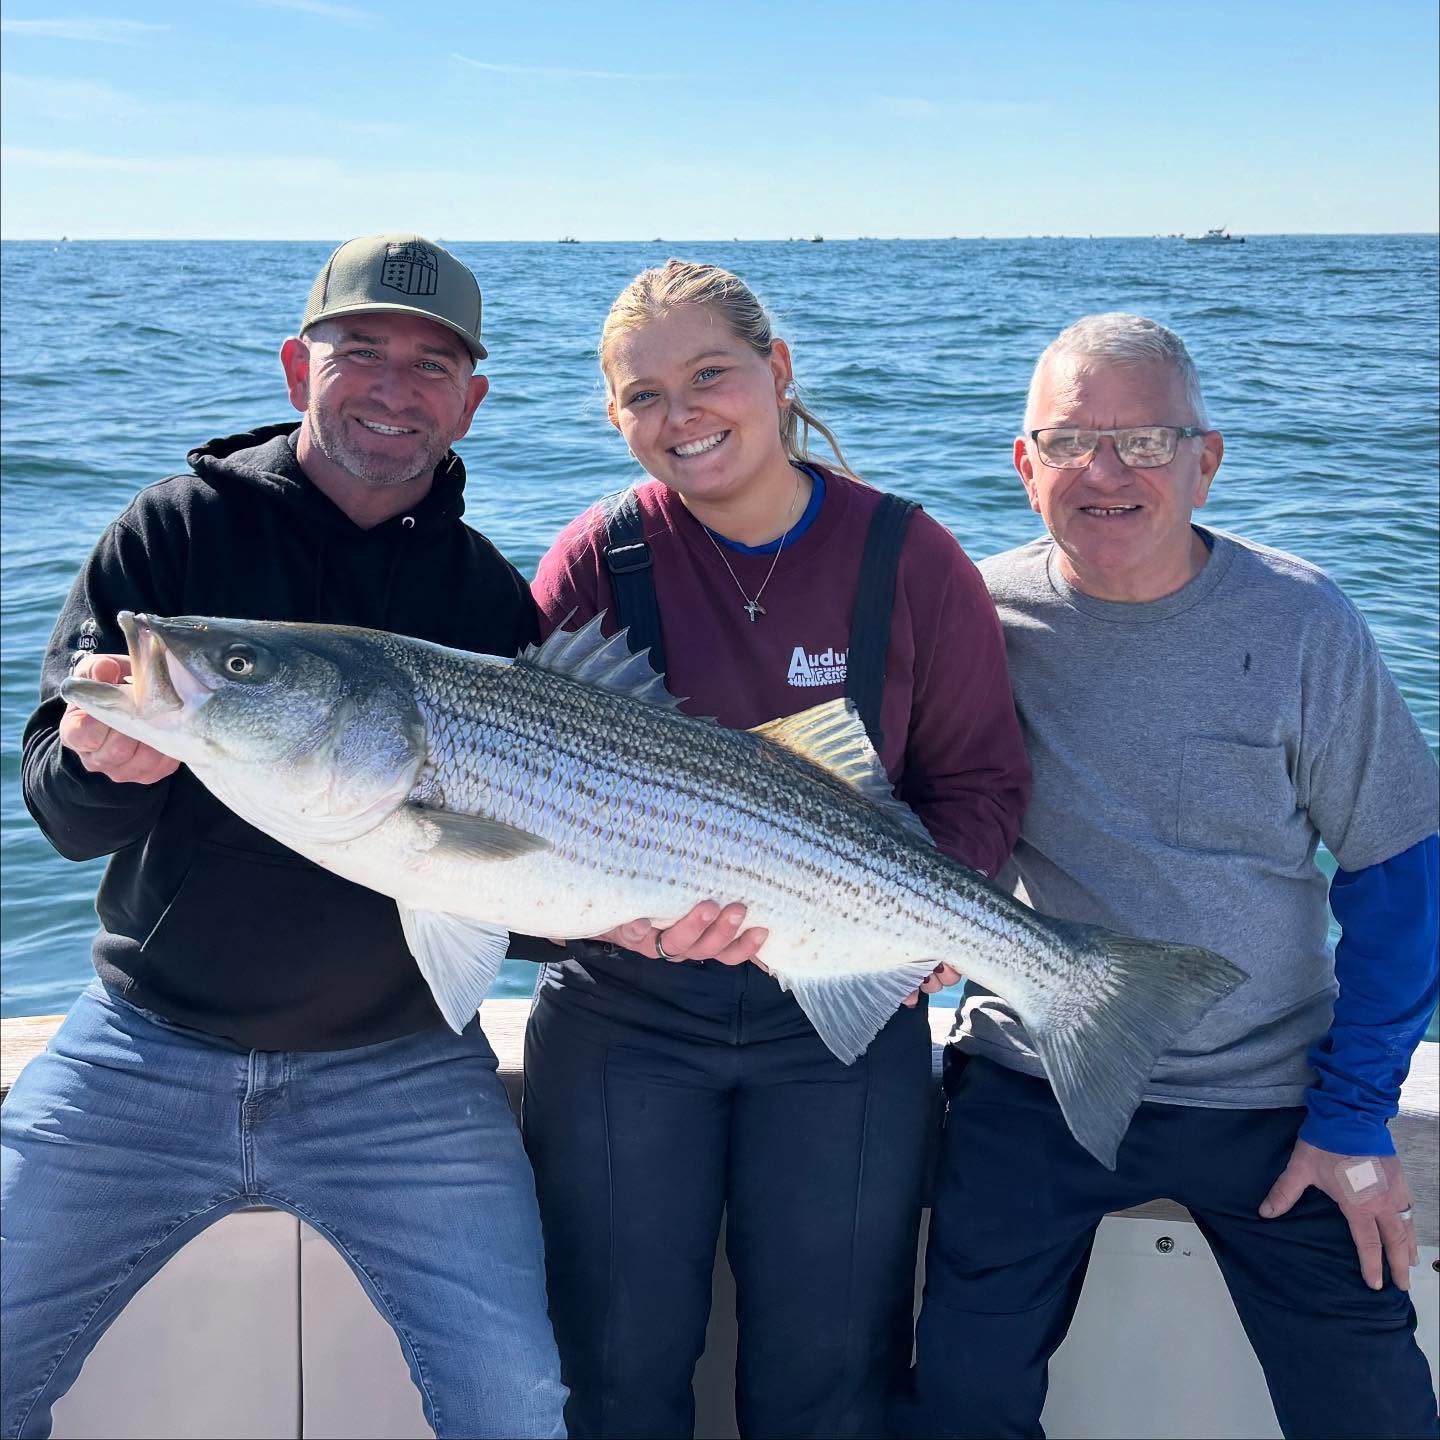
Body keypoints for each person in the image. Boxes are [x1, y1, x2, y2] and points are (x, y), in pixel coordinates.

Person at [2, 234, 568, 1440]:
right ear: (295, 369)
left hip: (404, 1070)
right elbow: (56, 806)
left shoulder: (485, 599)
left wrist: (649, 926)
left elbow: (515, 886)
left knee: (515, 1405)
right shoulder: (172, 540)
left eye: (431, 364)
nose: (391, 387)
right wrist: (108, 768)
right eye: (358, 350)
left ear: (471, 400)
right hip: (143, 1053)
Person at [522, 257, 1032, 1439]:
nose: (681, 415)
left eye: (711, 375)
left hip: (841, 1020)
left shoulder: (906, 555)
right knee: (613, 1372)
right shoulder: (597, 560)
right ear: (613, 418)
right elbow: (526, 805)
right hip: (624, 1016)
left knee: (831, 1382)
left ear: (779, 372)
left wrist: (927, 920)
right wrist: (607, 917)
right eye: (642, 396)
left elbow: (982, 783)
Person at [908, 312, 1440, 1440]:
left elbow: (1399, 882)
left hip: (1270, 1094)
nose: (1105, 472)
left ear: (1207, 461)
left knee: (1379, 1407)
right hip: (1029, 1080)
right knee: (959, 1399)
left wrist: (1354, 1116)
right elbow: (900, 832)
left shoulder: (1303, 622)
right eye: (1067, 441)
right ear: (1023, 464)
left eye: (1145, 441)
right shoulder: (973, 615)